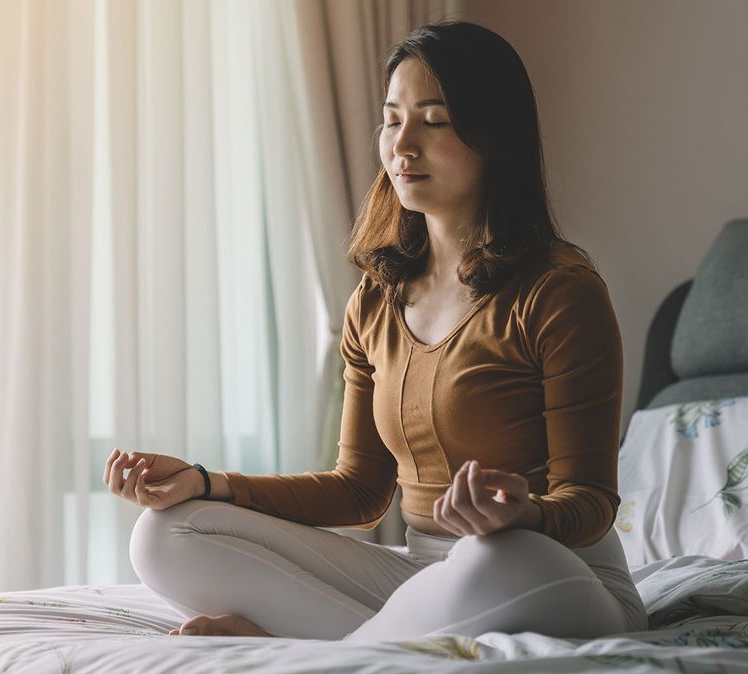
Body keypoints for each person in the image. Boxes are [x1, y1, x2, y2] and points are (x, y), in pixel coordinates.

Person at [102, 19, 650, 642]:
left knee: (497, 556)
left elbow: (590, 502)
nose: (402, 145)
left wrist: (525, 515)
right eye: (392, 119)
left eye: (435, 119)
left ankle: (311, 643)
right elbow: (360, 491)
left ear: (494, 135)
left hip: (551, 569)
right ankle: (378, 640)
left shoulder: (561, 292)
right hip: (421, 579)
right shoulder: (377, 298)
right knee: (166, 532)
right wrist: (205, 483)